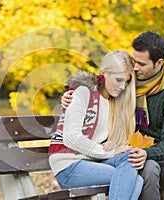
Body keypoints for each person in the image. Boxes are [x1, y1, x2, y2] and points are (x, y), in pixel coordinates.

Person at [61, 31, 164, 200]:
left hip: (159, 157)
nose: (135, 67)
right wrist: (70, 92)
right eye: (134, 60)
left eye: (142, 64)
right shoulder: (126, 80)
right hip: (124, 154)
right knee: (149, 169)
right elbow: (96, 78)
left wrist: (147, 153)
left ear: (159, 63)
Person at [48, 50, 144, 200]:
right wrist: (110, 153)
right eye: (118, 80)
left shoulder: (113, 101)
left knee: (131, 165)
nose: (122, 86)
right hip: (68, 165)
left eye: (126, 82)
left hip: (93, 161)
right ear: (103, 73)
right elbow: (71, 138)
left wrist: (117, 150)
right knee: (128, 179)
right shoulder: (84, 92)